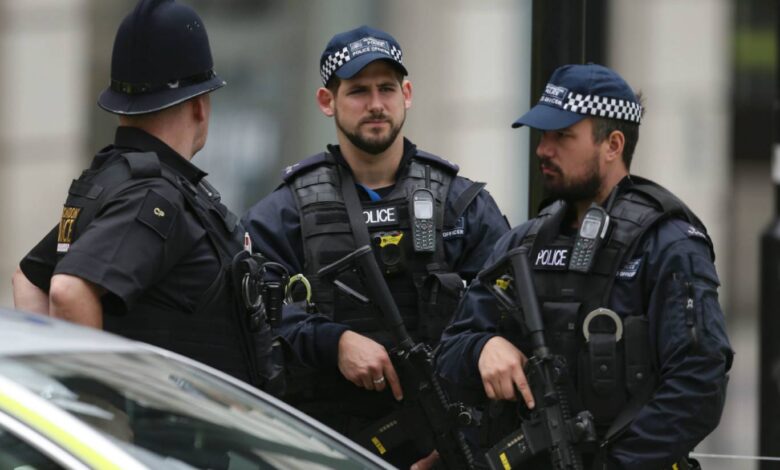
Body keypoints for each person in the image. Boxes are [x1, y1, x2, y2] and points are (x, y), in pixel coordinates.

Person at [436, 64, 733, 469]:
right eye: (543, 135)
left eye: (562, 136)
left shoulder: (668, 244)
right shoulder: (522, 244)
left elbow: (699, 383)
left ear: (613, 145)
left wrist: (619, 465)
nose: (543, 149)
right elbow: (449, 352)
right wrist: (481, 348)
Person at [242, 25, 510, 468]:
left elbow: (507, 313)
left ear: (407, 94)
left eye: (386, 88)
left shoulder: (462, 205)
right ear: (327, 101)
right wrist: (334, 342)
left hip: (447, 446)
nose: (375, 104)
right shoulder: (285, 213)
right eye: (358, 91)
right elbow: (250, 318)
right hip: (325, 449)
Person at [12, 0, 280, 391]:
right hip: (170, 428)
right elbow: (68, 290)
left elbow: (29, 279)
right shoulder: (154, 196)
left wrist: (53, 386)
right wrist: (99, 405)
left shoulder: (113, 181)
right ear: (200, 106)